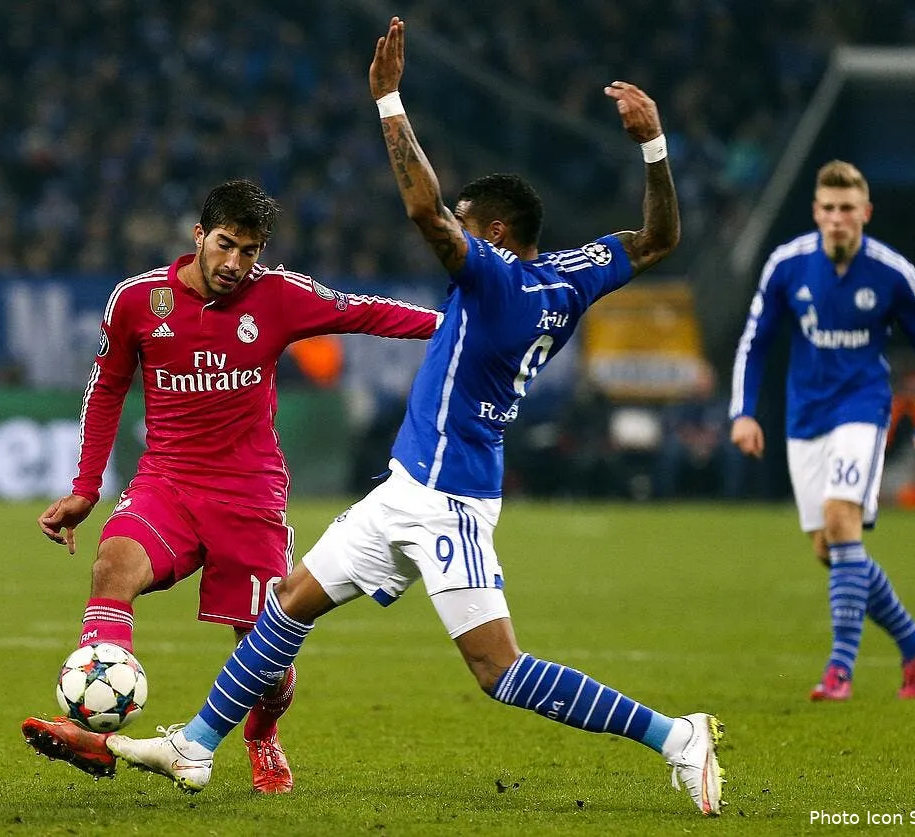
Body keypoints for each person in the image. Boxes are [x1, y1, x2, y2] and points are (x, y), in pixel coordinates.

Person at [99, 17, 725, 816]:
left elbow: (427, 212)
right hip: (408, 486)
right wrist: (655, 149)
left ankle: (677, 736)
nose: (454, 232)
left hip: (447, 496)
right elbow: (660, 237)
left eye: (469, 224)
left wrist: (390, 99)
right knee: (288, 603)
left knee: (499, 669)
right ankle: (195, 744)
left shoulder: (495, 281)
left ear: (495, 235)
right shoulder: (570, 276)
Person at [20, 178, 439, 793]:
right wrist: (86, 487)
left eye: (250, 251)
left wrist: (458, 325)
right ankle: (93, 725)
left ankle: (261, 734)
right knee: (113, 567)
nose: (236, 264)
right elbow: (106, 388)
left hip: (249, 495)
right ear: (198, 237)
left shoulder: (279, 296)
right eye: (225, 245)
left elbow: (365, 312)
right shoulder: (137, 301)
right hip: (167, 482)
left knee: (269, 660)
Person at [728, 159, 915, 702]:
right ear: (815, 212)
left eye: (847, 209)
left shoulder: (891, 272)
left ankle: (839, 671)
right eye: (828, 209)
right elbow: (754, 341)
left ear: (865, 214)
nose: (837, 219)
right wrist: (743, 411)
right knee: (831, 550)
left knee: (840, 517)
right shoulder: (788, 265)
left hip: (863, 407)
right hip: (805, 416)